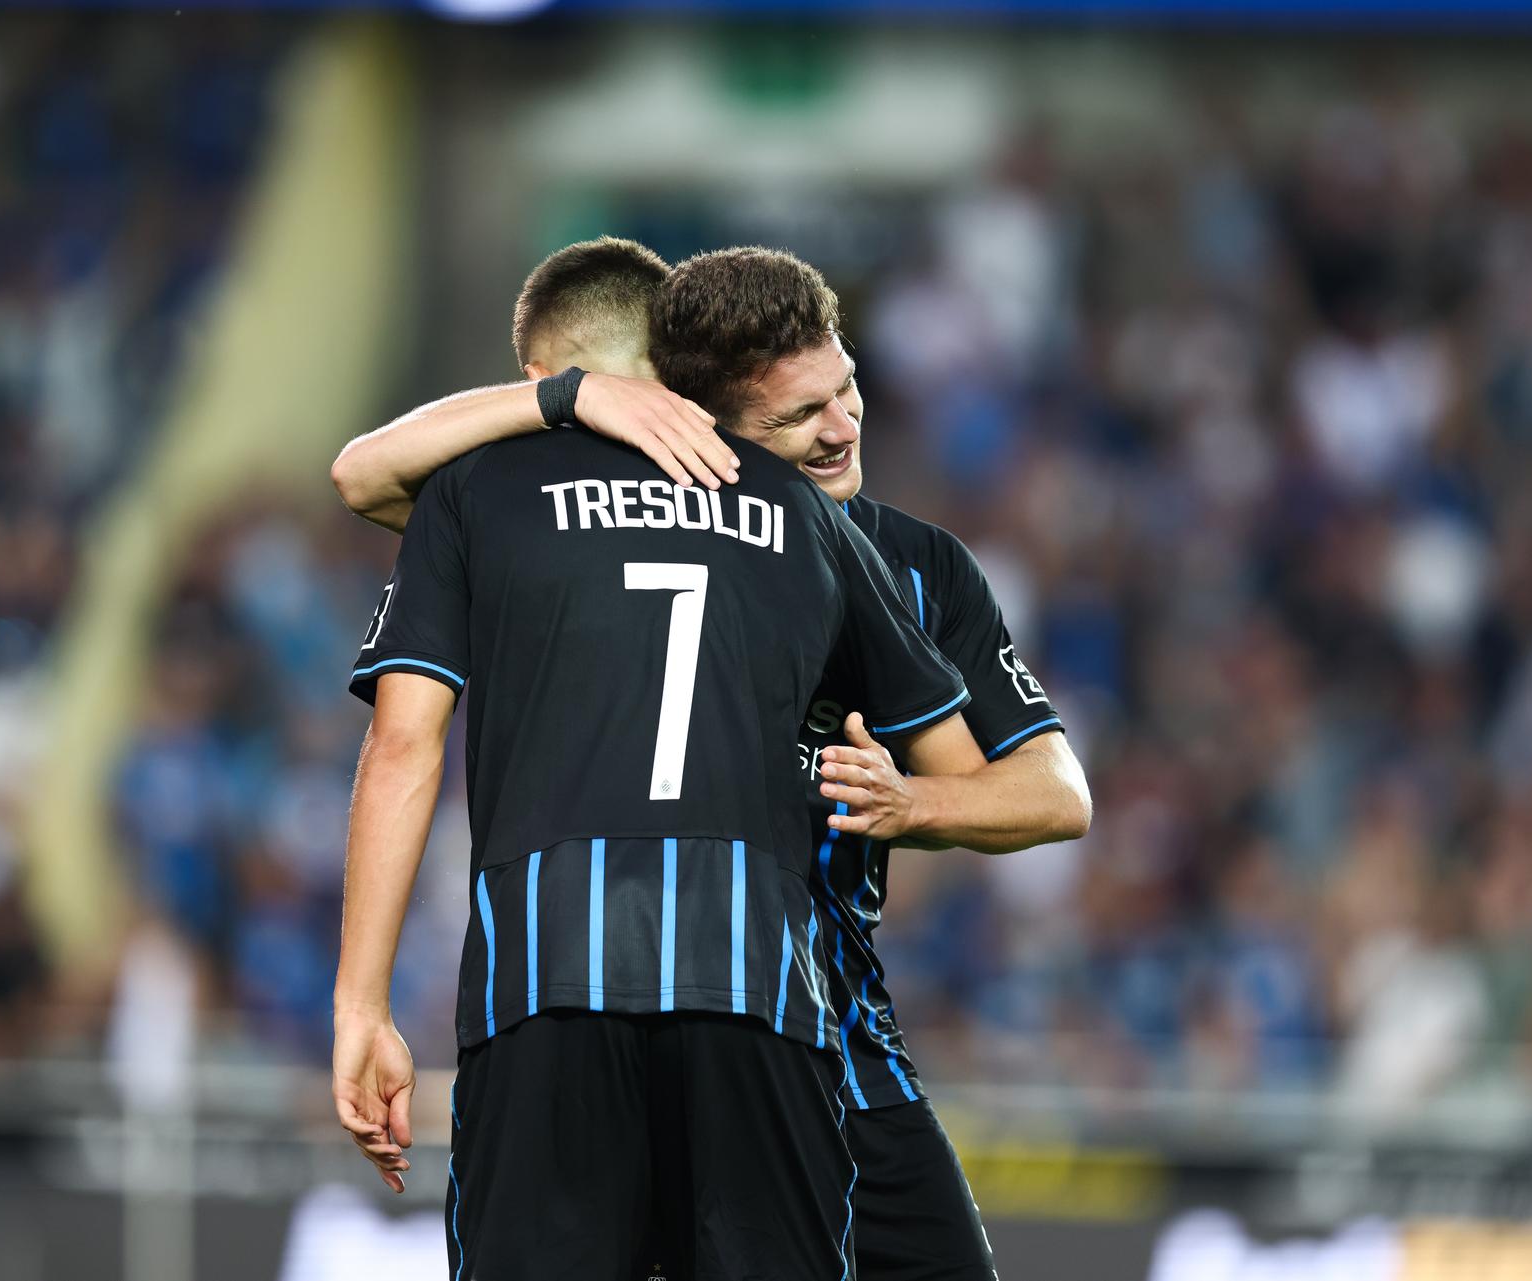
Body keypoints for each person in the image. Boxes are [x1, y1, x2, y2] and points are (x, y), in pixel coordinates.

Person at [333, 238, 1092, 1281]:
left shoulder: (910, 561)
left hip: (793, 1021)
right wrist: (572, 400)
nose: (839, 427)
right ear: (693, 416)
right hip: (756, 1003)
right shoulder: (787, 521)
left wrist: (912, 803)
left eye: (847, 391)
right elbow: (365, 475)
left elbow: (1051, 792)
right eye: (797, 417)